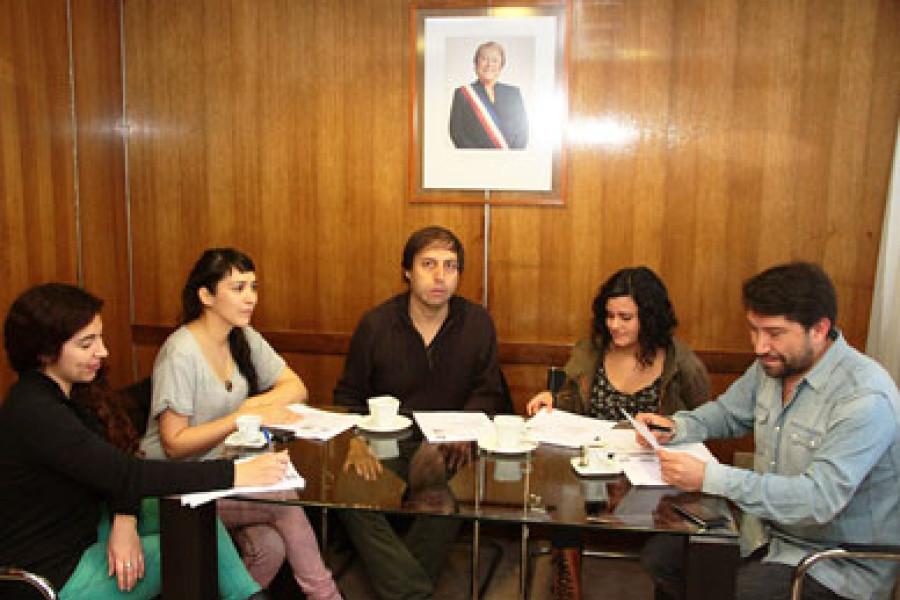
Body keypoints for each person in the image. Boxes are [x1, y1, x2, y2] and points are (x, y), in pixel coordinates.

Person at [0, 283, 288, 600]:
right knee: (189, 546)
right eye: (86, 344)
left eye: (100, 338)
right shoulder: (37, 413)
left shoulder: (66, 394)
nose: (102, 352)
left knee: (190, 510)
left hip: (83, 528)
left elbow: (113, 468)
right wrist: (236, 473)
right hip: (54, 571)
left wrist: (125, 517)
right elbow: (128, 474)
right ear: (45, 353)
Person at [637, 262, 900, 600]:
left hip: (833, 563)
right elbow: (728, 414)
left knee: (721, 589)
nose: (760, 346)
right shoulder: (774, 365)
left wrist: (710, 478)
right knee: (662, 558)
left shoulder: (864, 398)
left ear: (819, 329)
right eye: (754, 330)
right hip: (763, 533)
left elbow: (818, 500)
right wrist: (677, 427)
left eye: (774, 333)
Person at [139, 248, 342, 600]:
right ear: (206, 296)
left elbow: (296, 388)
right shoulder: (180, 352)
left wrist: (252, 407)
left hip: (216, 476)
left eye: (253, 287)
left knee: (269, 545)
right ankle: (326, 596)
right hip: (171, 489)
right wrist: (240, 418)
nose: (251, 298)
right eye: (238, 288)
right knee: (282, 497)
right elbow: (174, 444)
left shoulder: (242, 336)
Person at [333, 225, 505, 600]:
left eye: (450, 266)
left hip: (452, 446)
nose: (440, 276)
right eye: (429, 264)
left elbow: (489, 392)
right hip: (386, 442)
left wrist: (460, 431)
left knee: (445, 497)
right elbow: (348, 395)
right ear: (408, 271)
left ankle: (401, 589)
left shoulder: (477, 322)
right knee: (349, 492)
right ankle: (412, 593)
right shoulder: (376, 324)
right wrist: (356, 442)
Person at [525, 266, 710, 600]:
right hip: (594, 469)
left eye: (626, 317)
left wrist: (672, 430)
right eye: (609, 316)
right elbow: (569, 402)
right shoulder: (591, 351)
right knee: (561, 495)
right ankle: (567, 577)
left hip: (654, 474)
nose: (614, 326)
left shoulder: (680, 362)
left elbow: (704, 421)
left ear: (649, 318)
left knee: (678, 528)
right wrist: (551, 401)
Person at [448, 41, 528, 149]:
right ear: (476, 64)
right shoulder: (462, 93)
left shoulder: (514, 93)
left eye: (495, 60)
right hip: (474, 157)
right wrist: (479, 156)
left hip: (509, 157)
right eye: (484, 59)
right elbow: (457, 132)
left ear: (501, 66)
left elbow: (522, 131)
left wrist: (512, 155)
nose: (489, 64)